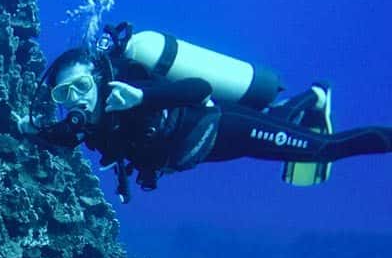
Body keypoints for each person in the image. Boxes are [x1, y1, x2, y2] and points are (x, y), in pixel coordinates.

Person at [29, 24, 392, 202]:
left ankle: (338, 113)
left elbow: (199, 88)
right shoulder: (87, 121)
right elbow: (60, 135)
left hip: (224, 126)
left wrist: (141, 97)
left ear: (97, 78)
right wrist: (26, 129)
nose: (75, 99)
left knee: (321, 148)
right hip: (204, 151)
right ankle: (313, 97)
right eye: (64, 93)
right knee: (278, 126)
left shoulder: (130, 84)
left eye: (81, 87)